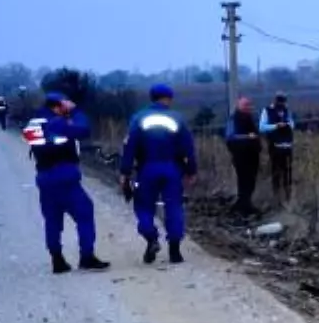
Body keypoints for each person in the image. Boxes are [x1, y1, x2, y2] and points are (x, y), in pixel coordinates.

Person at [23, 92, 110, 274]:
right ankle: (87, 257)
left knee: (52, 219)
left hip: (44, 176)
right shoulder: (57, 122)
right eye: (64, 105)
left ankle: (57, 259)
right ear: (58, 106)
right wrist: (75, 111)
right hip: (64, 173)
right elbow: (83, 130)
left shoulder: (34, 123)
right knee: (85, 212)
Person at [118, 83, 197, 265]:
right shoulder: (177, 118)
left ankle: (151, 238)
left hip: (147, 169)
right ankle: (175, 251)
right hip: (172, 169)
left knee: (144, 207)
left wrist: (125, 172)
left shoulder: (138, 118)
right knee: (174, 207)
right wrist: (191, 171)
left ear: (152, 98)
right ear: (168, 98)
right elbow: (188, 148)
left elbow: (129, 147)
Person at [225, 96, 262, 216]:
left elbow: (256, 134)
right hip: (241, 156)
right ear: (238, 105)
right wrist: (247, 137)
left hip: (252, 155)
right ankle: (243, 206)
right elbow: (230, 137)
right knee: (244, 180)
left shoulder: (249, 118)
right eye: (245, 105)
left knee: (251, 181)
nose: (248, 107)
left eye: (249, 105)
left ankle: (246, 204)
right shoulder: (234, 119)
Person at [259, 91, 295, 202]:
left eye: (283, 101)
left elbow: (292, 124)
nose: (281, 103)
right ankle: (277, 197)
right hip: (275, 146)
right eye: (280, 101)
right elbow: (262, 127)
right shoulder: (267, 111)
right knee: (276, 172)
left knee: (287, 172)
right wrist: (276, 126)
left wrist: (288, 125)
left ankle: (288, 197)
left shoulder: (287, 111)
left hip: (287, 146)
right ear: (275, 100)